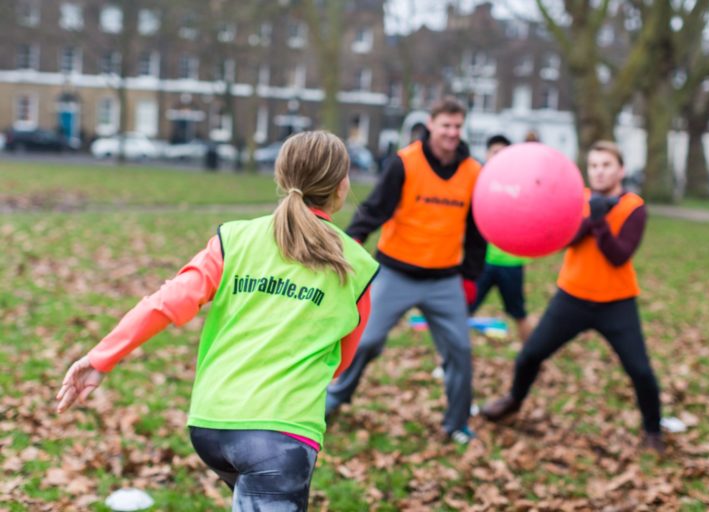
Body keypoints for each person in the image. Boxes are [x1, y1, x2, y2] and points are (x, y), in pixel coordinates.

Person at [56, 131, 379, 511]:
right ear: (342, 187)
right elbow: (341, 364)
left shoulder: (234, 238)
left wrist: (100, 358)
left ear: (280, 176)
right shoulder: (355, 265)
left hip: (211, 427)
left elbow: (165, 302)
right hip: (279, 438)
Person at [480, 140, 664, 453]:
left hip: (616, 302)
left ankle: (653, 432)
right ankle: (513, 400)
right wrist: (592, 217)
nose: (599, 171)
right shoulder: (577, 200)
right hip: (572, 297)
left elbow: (619, 255)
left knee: (640, 370)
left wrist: (600, 222)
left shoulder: (634, 207)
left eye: (606, 165)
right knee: (530, 355)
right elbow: (565, 238)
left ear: (621, 170)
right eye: (593, 165)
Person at [325, 97, 487, 444]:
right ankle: (333, 399)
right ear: (431, 124)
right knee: (365, 341)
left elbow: (477, 231)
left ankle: (456, 423)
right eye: (446, 125)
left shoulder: (474, 172)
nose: (452, 133)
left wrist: (470, 278)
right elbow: (375, 207)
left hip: (444, 278)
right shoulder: (405, 163)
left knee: (459, 350)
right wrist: (354, 239)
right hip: (396, 272)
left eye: (458, 126)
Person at [469, 134, 533, 342]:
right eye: (495, 153)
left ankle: (529, 358)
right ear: (487, 154)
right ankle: (449, 363)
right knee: (462, 312)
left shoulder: (520, 185)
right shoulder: (477, 181)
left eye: (504, 154)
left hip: (510, 263)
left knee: (519, 314)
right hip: (481, 262)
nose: (499, 157)